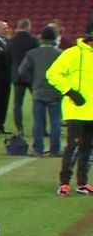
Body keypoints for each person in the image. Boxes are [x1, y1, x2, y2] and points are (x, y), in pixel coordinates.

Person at [46, 20, 93, 196]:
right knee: (72, 147)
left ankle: (82, 183)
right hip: (76, 110)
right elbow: (52, 74)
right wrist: (70, 92)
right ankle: (64, 182)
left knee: (88, 148)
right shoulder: (72, 53)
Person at [18, 26, 63, 158]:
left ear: (41, 38)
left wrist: (32, 81)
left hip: (38, 91)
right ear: (54, 38)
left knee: (38, 122)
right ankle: (55, 150)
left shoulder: (32, 53)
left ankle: (38, 149)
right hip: (55, 91)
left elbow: (22, 71)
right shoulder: (60, 54)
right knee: (55, 121)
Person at [7, 18, 40, 135]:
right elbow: (37, 58)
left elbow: (8, 59)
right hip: (31, 75)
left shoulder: (11, 41)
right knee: (38, 102)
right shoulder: (33, 41)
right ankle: (40, 127)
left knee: (17, 104)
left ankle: (19, 128)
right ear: (28, 27)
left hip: (17, 75)